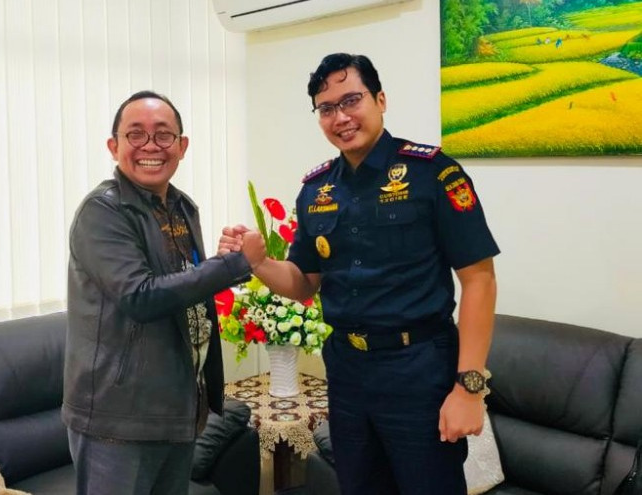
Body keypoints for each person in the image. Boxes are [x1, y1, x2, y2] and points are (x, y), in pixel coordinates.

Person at [220, 53, 499, 494]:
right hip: (347, 372)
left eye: (352, 100)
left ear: (380, 100)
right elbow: (304, 283)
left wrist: (469, 388)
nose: (341, 117)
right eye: (326, 108)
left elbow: (479, 279)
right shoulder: (316, 190)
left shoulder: (433, 173)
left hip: (419, 369)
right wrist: (259, 262)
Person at [62, 90, 261, 495]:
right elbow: (140, 296)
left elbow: (182, 285)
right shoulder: (103, 211)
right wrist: (234, 266)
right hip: (119, 418)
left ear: (182, 146)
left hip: (177, 407)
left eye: (163, 134)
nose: (150, 145)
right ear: (113, 146)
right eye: (135, 134)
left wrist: (221, 260)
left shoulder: (183, 207)